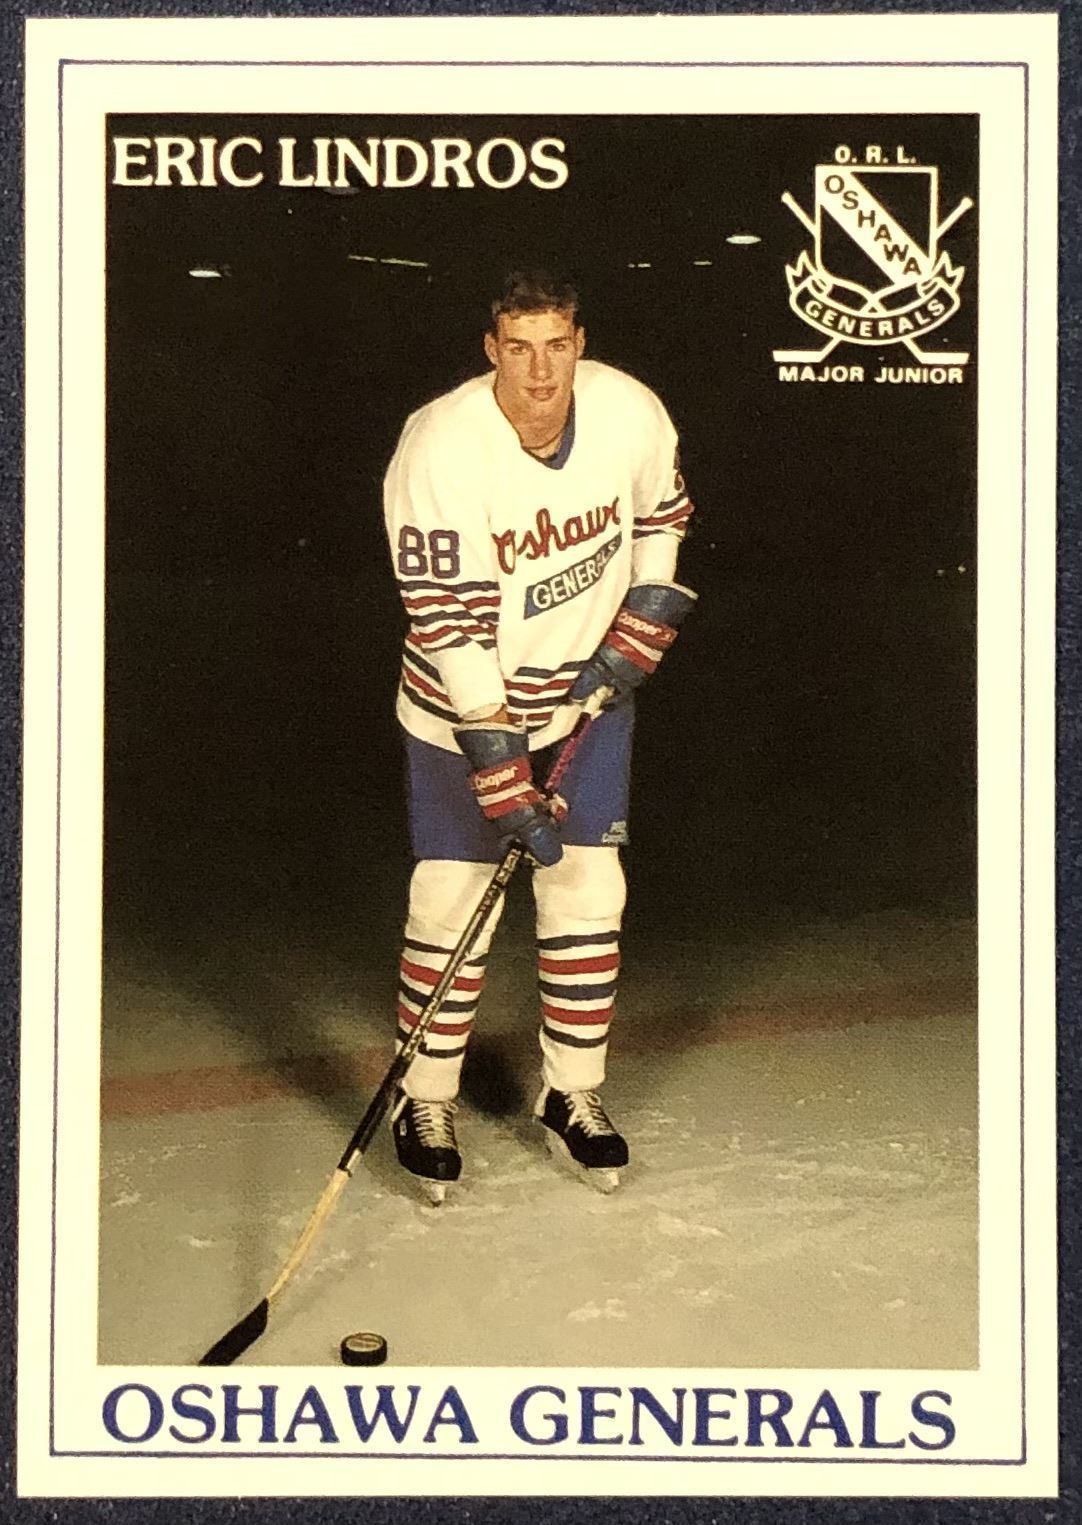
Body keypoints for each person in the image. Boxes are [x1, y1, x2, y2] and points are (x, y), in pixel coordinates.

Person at [382, 268, 695, 1201]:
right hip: (461, 711)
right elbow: (446, 615)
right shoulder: (440, 446)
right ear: (492, 350)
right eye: (518, 348)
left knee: (591, 886)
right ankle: (422, 1098)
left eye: (557, 345)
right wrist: (496, 761)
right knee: (452, 897)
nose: (541, 371)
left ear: (579, 342)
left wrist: (645, 614)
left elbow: (662, 514)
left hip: (586, 702)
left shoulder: (629, 410)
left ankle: (572, 1090)